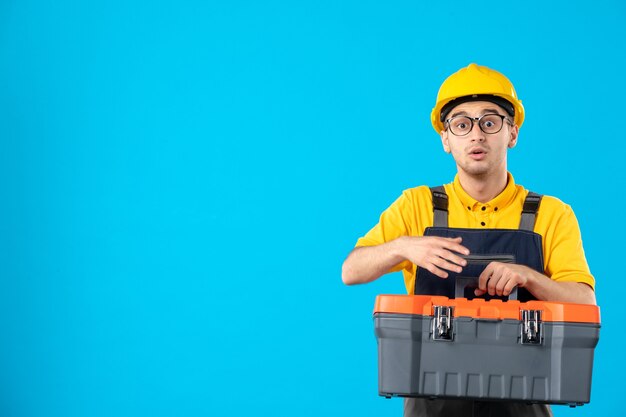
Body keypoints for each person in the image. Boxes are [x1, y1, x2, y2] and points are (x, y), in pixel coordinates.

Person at [341, 63, 596, 417]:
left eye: (490, 122)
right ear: (446, 140)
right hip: (430, 397)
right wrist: (403, 246)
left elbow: (585, 301)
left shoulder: (551, 214)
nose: (476, 135)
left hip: (523, 397)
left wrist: (530, 278)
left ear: (512, 133)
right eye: (462, 124)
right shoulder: (418, 206)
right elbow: (351, 270)